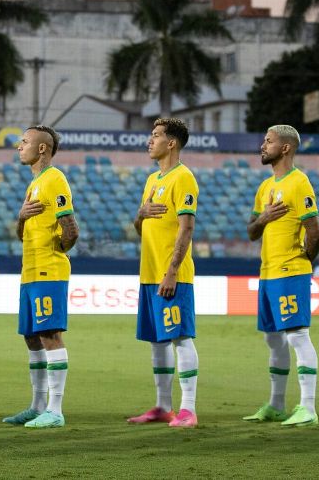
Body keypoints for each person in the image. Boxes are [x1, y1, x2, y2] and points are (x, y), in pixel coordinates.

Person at [244, 124, 319, 428]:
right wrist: (263, 218)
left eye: (269, 141)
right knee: (273, 339)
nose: (263, 146)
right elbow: (252, 231)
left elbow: (315, 231)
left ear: (286, 148)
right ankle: (277, 405)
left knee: (298, 336)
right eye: (263, 140)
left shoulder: (299, 182)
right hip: (267, 273)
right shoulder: (265, 187)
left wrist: (302, 261)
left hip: (290, 271)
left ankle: (308, 407)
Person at [126, 118, 200, 429]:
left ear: (171, 143)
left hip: (172, 274)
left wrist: (171, 271)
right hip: (149, 273)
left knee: (180, 338)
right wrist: (139, 214)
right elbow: (140, 228)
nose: (150, 140)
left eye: (156, 136)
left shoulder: (183, 178)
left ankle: (188, 409)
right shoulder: (153, 179)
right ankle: (163, 406)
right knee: (157, 341)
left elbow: (187, 229)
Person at [3, 125, 78, 429]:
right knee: (32, 337)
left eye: (25, 142)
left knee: (50, 336)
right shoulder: (34, 184)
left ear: (43, 148)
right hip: (30, 271)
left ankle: (55, 409)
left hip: (48, 270)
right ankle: (36, 406)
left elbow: (71, 228)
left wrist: (56, 251)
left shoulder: (54, 179)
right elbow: (22, 234)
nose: (19, 147)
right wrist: (20, 217)